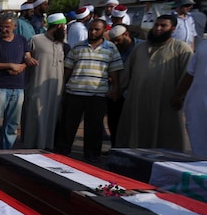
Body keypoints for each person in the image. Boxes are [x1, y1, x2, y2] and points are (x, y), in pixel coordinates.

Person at [117, 15, 192, 151]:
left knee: (165, 142)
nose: (158, 28)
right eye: (156, 25)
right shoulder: (139, 48)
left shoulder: (181, 49)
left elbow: (187, 76)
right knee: (133, 139)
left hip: (164, 103)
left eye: (163, 26)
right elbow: (126, 74)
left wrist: (180, 97)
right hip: (137, 103)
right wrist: (116, 90)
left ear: (173, 29)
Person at [61, 18, 122, 161]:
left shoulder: (111, 49)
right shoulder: (77, 47)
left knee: (94, 128)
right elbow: (67, 69)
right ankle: (63, 152)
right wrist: (62, 88)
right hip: (75, 92)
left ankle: (92, 155)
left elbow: (115, 72)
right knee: (68, 126)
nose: (93, 32)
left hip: (97, 94)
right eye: (91, 29)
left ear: (103, 31)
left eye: (97, 29)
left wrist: (116, 89)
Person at [0, 13, 36, 150]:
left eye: (7, 27)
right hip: (0, 86)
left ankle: (7, 150)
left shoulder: (22, 40)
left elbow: (27, 58)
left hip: (18, 87)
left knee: (13, 123)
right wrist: (10, 66)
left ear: (14, 26)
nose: (4, 30)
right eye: (1, 27)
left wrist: (21, 68)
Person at [22, 13, 67, 151]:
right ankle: (30, 145)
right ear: (59, 26)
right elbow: (25, 56)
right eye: (63, 27)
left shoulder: (62, 44)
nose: (64, 30)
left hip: (56, 88)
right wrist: (26, 58)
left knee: (51, 115)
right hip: (36, 85)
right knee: (34, 114)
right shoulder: (36, 40)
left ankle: (47, 145)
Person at [172, 38, 207, 157]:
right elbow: (190, 74)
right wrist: (177, 95)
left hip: (198, 107)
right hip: (198, 107)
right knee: (199, 152)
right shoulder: (204, 46)